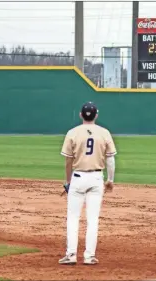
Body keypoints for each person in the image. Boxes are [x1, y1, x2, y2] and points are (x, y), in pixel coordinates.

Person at [58, 101, 116, 265]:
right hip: (97, 178)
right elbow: (110, 159)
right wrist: (110, 180)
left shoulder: (72, 133)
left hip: (78, 178)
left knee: (73, 218)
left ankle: (71, 254)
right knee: (93, 219)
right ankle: (89, 256)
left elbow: (68, 161)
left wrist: (68, 182)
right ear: (96, 115)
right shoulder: (104, 133)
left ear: (80, 115)